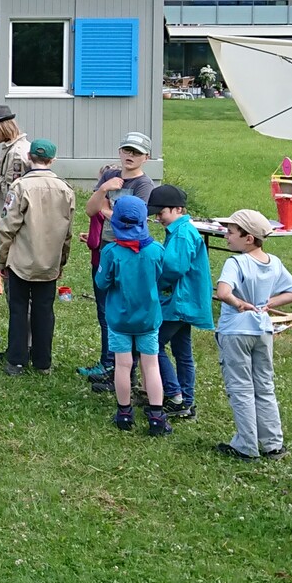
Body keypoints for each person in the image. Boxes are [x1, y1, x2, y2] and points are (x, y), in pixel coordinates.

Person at [211, 209, 292, 459]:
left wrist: (238, 303)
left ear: (248, 238)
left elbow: (223, 292)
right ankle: (273, 444)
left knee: (241, 387)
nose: (226, 236)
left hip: (235, 332)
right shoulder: (273, 262)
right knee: (264, 386)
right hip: (262, 331)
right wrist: (268, 303)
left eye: (231, 233)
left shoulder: (236, 262)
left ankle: (246, 445)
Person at [81, 133, 159, 391]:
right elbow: (90, 210)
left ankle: (123, 369)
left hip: (130, 253)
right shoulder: (110, 176)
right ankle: (108, 364)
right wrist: (104, 189)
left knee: (124, 312)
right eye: (127, 150)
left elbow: (133, 220)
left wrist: (107, 210)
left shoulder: (144, 185)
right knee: (104, 309)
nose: (130, 156)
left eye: (136, 152)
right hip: (107, 249)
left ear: (146, 157)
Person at [0, 137, 74, 375]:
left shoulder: (20, 187)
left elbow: (7, 226)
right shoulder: (66, 189)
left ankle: (16, 360)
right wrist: (61, 261)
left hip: (21, 260)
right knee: (44, 311)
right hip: (49, 261)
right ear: (53, 160)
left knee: (19, 309)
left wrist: (1, 258)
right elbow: (67, 232)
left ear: (29, 157)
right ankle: (42, 362)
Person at [95, 193, 171, 434]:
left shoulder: (111, 252)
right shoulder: (156, 250)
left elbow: (101, 282)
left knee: (123, 364)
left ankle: (124, 413)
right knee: (151, 365)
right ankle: (157, 417)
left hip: (119, 318)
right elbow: (161, 277)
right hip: (148, 318)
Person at [149, 184, 212, 419]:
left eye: (161, 213)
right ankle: (186, 400)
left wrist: (154, 284)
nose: (158, 218)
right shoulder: (180, 229)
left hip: (179, 302)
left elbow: (173, 267)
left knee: (152, 345)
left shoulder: (182, 234)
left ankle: (175, 395)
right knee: (182, 350)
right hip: (185, 301)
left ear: (178, 209)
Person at [0, 103, 33, 221]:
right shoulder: (16, 148)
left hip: (12, 224)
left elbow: (11, 193)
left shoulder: (16, 154)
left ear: (2, 126)